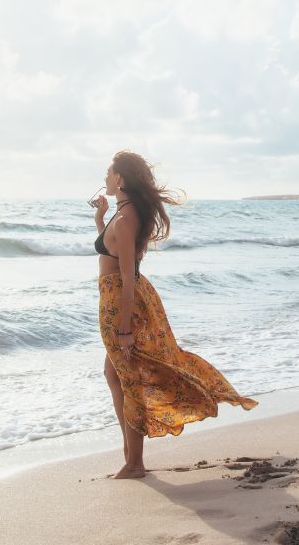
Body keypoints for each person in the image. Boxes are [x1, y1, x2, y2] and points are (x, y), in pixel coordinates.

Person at [93, 150, 259, 479]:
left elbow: (127, 275)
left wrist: (125, 326)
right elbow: (108, 249)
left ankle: (135, 463)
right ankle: (131, 456)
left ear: (120, 178)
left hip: (121, 303)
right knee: (115, 376)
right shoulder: (121, 214)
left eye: (108, 173)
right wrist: (100, 218)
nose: (104, 179)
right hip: (121, 299)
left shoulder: (126, 220)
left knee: (127, 379)